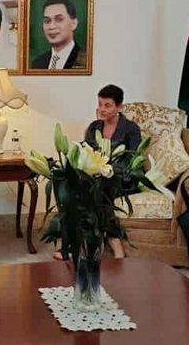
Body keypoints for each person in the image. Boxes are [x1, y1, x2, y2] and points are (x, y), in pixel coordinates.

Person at [53, 84, 141, 261]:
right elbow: (86, 153)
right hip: (95, 176)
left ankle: (114, 243)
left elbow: (132, 160)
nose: (102, 109)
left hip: (122, 178)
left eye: (107, 105)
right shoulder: (94, 127)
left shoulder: (131, 129)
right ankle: (69, 243)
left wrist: (108, 170)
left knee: (98, 190)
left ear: (119, 107)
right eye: (100, 104)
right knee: (69, 188)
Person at [30, 0, 87, 70]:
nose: (52, 26)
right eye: (47, 21)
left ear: (74, 23)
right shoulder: (38, 63)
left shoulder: (86, 61)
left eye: (59, 19)